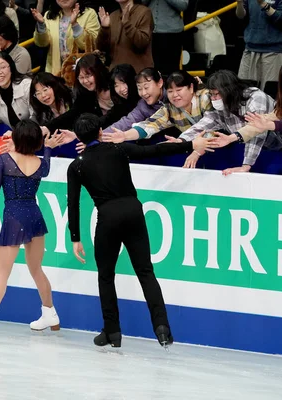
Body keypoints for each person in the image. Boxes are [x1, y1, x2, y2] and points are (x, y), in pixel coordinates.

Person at [67, 113, 218, 349]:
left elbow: (73, 203)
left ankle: (112, 331)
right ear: (99, 132)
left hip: (108, 217)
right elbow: (155, 151)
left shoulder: (76, 166)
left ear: (80, 137)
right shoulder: (118, 150)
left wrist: (75, 237)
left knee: (106, 276)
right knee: (145, 272)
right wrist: (191, 144)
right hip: (133, 211)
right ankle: (162, 327)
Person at [0, 120, 64, 343]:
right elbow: (47, 165)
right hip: (35, 217)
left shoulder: (4, 160)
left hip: (14, 219)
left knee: (2, 273)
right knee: (37, 270)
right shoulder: (41, 163)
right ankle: (50, 314)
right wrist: (49, 147)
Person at [162, 70, 274, 174]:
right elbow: (202, 125)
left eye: (216, 94)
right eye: (211, 94)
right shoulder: (221, 108)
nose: (213, 98)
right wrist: (181, 140)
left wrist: (246, 165)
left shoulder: (256, 98)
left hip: (281, 147)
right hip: (254, 151)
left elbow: (257, 132)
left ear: (229, 91)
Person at [102, 70, 212, 142]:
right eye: (170, 91)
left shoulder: (206, 97)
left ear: (191, 87)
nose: (175, 95)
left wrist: (182, 140)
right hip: (193, 147)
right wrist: (124, 136)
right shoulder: (169, 109)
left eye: (179, 90)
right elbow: (149, 125)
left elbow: (208, 124)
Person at [236, 0, 282, 90]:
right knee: (244, 91)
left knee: (270, 92)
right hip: (250, 49)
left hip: (274, 51)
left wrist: (263, 4)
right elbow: (241, 16)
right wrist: (239, 3)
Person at [32, 0, 100, 75]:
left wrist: (75, 25)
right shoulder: (49, 15)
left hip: (81, 73)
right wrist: (41, 25)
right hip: (54, 73)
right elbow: (42, 43)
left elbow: (90, 44)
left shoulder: (89, 13)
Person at [97, 0, 153, 73]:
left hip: (139, 73)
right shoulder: (113, 15)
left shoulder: (144, 12)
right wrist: (104, 28)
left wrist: (127, 24)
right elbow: (101, 48)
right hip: (116, 73)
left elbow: (142, 43)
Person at [142, 0, 186, 76]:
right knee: (151, 70)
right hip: (149, 31)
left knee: (170, 71)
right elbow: (141, 2)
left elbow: (183, 5)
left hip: (171, 33)